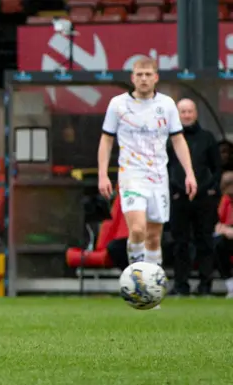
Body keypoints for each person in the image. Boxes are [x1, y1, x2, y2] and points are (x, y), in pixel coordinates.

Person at [97, 57, 196, 288]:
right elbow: (106, 140)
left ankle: (151, 288)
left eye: (147, 74)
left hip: (158, 178)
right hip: (131, 176)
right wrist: (103, 174)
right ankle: (136, 280)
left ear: (156, 77)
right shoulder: (118, 105)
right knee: (138, 229)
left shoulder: (167, 105)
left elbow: (178, 139)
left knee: (153, 237)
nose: (143, 79)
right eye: (139, 74)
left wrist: (189, 173)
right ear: (132, 78)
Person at [167, 99, 221, 295]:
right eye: (183, 112)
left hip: (204, 199)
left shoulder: (207, 138)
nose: (187, 115)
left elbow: (217, 169)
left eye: (190, 111)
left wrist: (209, 189)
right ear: (177, 114)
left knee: (205, 241)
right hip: (178, 198)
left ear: (196, 113)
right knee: (180, 243)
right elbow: (165, 167)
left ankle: (205, 285)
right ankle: (181, 285)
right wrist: (172, 190)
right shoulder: (169, 139)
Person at [214, 172, 233, 298]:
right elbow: (218, 224)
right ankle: (231, 286)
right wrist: (224, 230)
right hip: (227, 235)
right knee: (218, 245)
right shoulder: (225, 200)